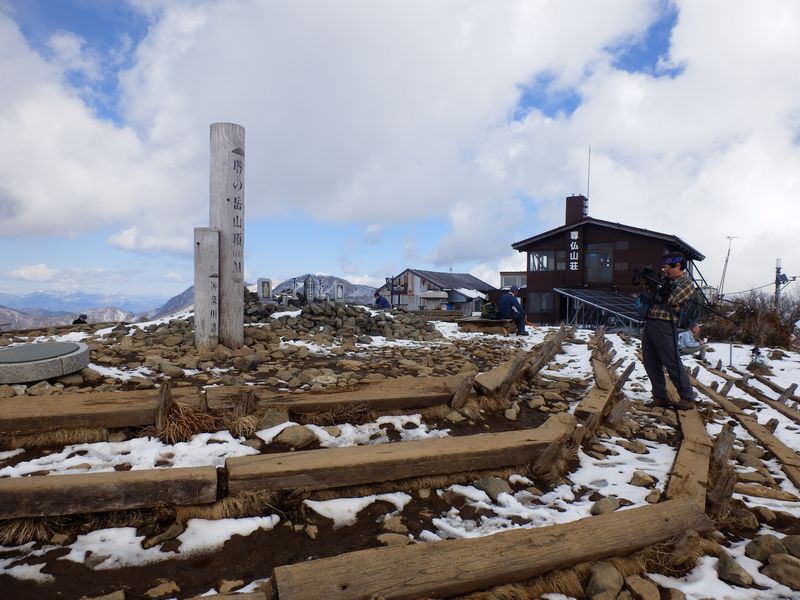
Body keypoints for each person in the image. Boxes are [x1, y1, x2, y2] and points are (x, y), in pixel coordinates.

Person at [642, 253, 697, 410]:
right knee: (650, 362)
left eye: (668, 267)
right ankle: (659, 396)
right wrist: (648, 280)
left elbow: (671, 299)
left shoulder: (686, 283)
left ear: (678, 265)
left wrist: (660, 287)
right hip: (650, 322)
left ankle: (687, 397)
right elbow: (653, 296)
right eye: (664, 267)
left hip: (666, 325)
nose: (665, 270)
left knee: (671, 361)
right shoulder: (665, 281)